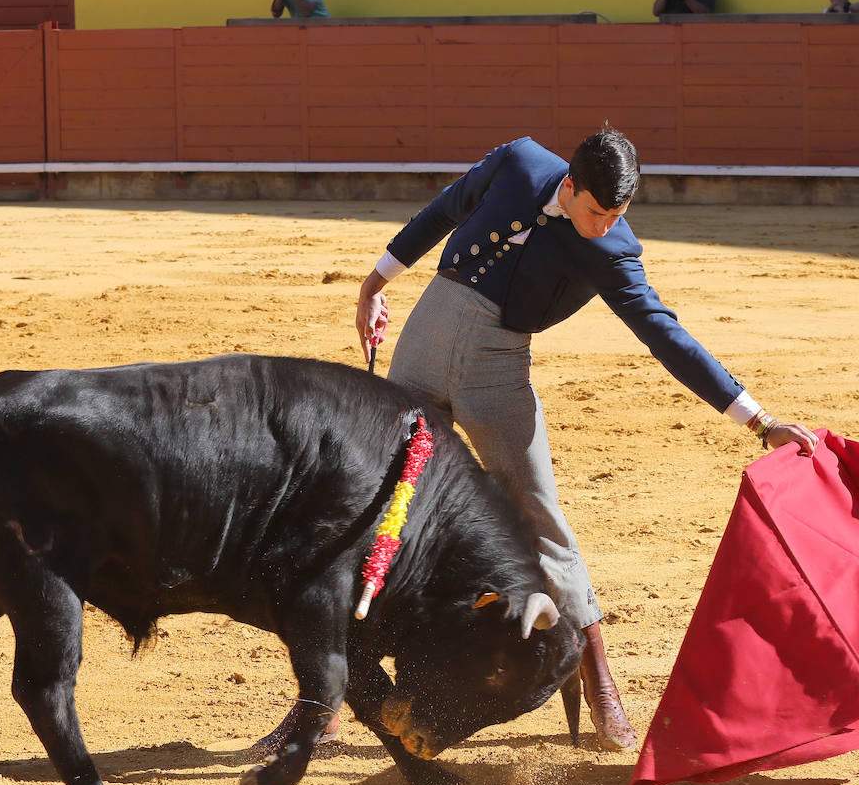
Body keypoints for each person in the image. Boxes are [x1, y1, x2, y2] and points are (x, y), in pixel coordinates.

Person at [350, 128, 819, 753]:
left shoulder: (612, 250)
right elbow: (446, 208)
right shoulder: (519, 162)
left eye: (617, 215)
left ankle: (600, 685)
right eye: (596, 211)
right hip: (422, 344)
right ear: (569, 186)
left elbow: (662, 332)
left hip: (496, 370)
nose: (603, 226)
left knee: (539, 514)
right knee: (377, 504)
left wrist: (757, 420)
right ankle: (327, 695)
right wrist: (376, 282)